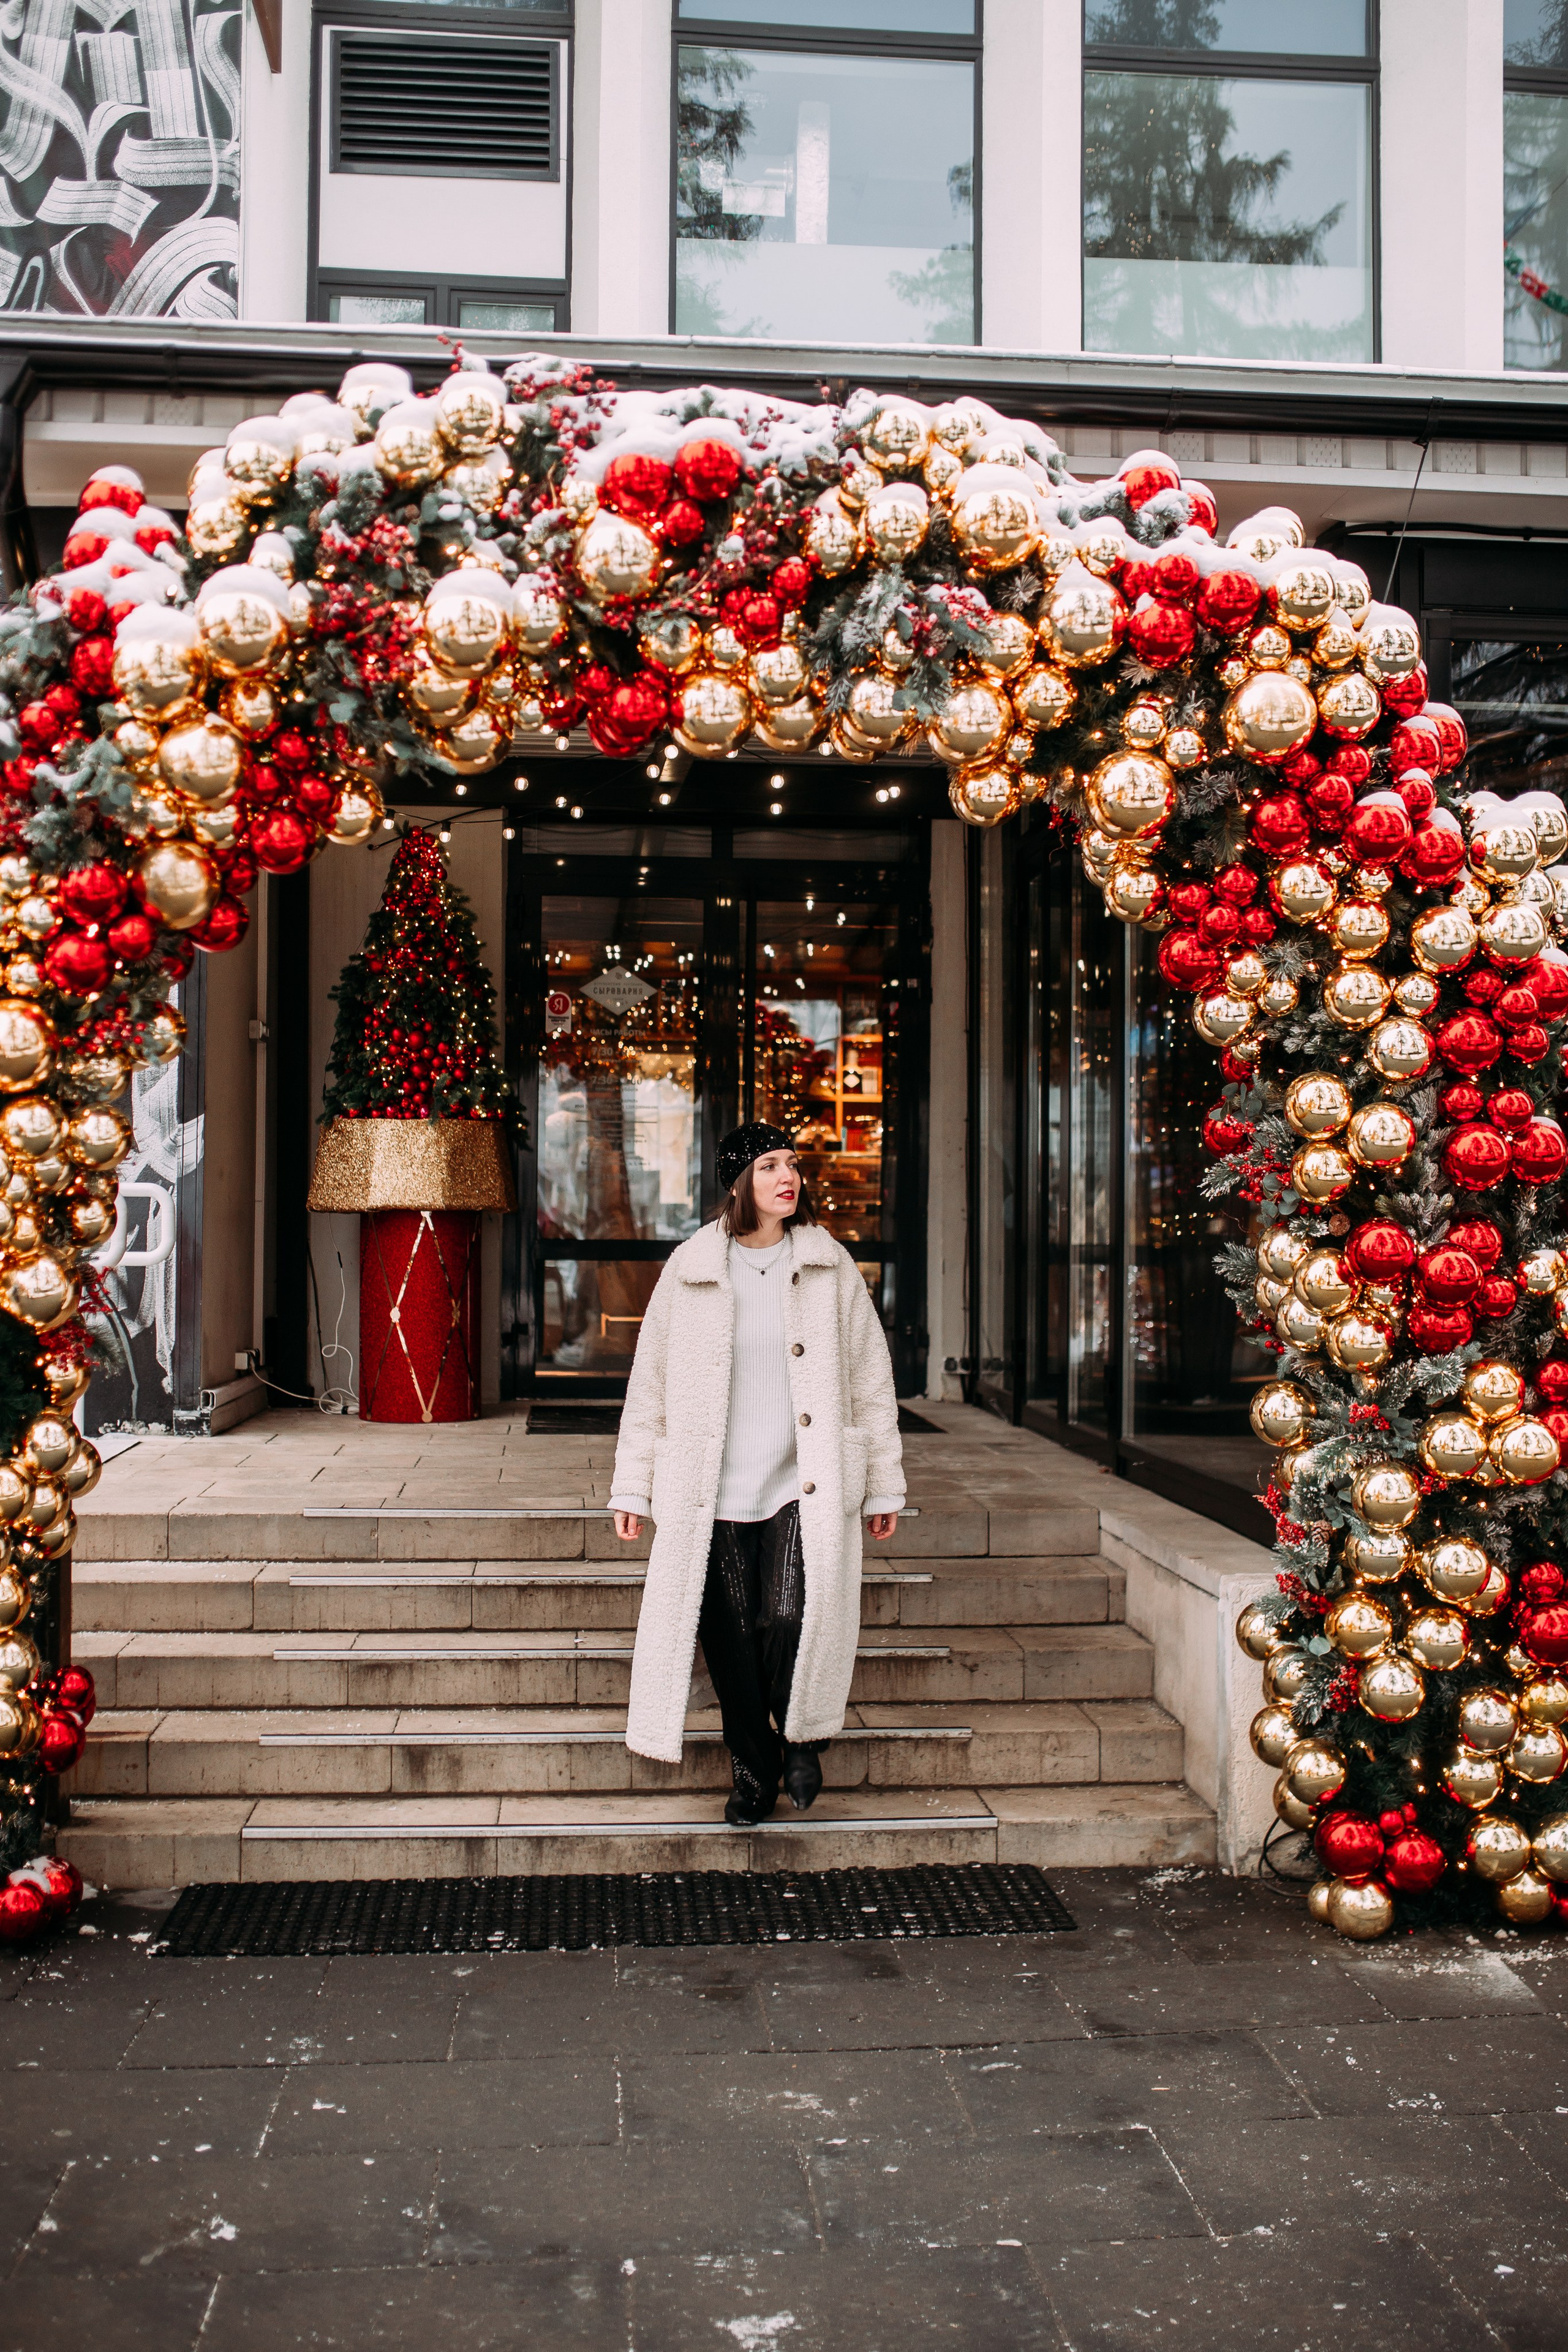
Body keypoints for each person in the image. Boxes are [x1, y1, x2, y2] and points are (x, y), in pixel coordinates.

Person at [609, 1121, 905, 1826]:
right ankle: (754, 1770)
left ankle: (803, 1735)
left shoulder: (828, 1266)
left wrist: (884, 1480)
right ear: (739, 1181)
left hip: (799, 1481)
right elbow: (649, 1385)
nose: (787, 1177)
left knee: (792, 1613)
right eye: (770, 1165)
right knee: (728, 1635)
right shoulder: (691, 1268)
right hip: (708, 1488)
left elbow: (870, 1378)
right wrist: (632, 1484)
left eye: (792, 1165)